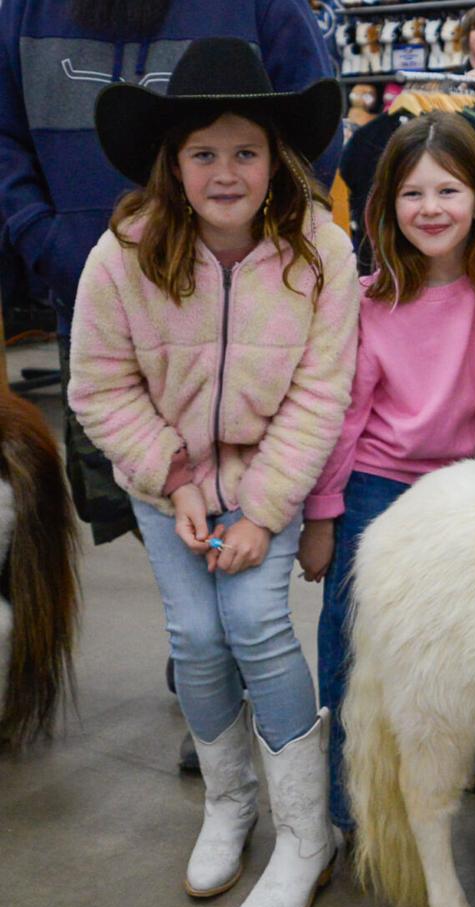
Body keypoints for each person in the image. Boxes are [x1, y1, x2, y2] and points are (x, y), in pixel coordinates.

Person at [67, 38, 358, 907]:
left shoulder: (323, 252)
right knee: (195, 637)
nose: (225, 172)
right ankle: (229, 805)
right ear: (173, 164)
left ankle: (307, 838)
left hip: (268, 477)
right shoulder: (123, 255)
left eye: (246, 151)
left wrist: (266, 509)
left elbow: (319, 395)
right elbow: (99, 386)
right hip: (170, 482)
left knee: (258, 627)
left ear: (277, 162)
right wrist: (176, 479)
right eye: (204, 153)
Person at [0, 0, 343, 546]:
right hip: (96, 309)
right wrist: (44, 238)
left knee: (245, 553)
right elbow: (3, 136)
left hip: (251, 327)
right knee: (141, 505)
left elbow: (309, 140)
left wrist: (260, 251)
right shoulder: (21, 9)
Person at [297, 111, 475, 833]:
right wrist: (322, 516)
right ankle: (347, 809)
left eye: (449, 191)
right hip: (382, 480)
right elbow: (347, 417)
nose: (430, 209)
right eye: (412, 194)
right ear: (386, 206)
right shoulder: (373, 298)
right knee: (354, 637)